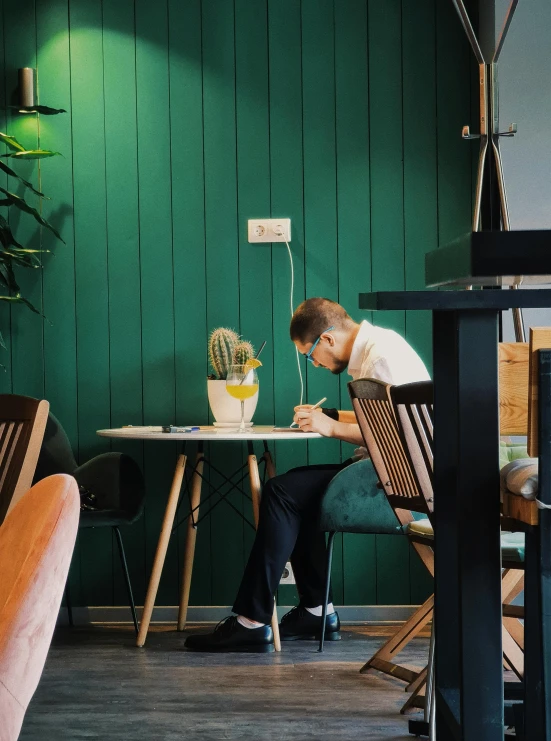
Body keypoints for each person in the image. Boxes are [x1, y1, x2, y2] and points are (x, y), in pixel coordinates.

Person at [185, 298, 430, 651]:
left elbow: (398, 432)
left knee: (283, 492)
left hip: (400, 481)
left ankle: (252, 621)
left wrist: (328, 427)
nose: (313, 363)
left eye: (309, 354)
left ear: (328, 339)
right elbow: (380, 416)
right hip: (394, 470)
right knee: (294, 491)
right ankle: (316, 611)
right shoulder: (379, 347)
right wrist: (333, 414)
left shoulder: (380, 358)